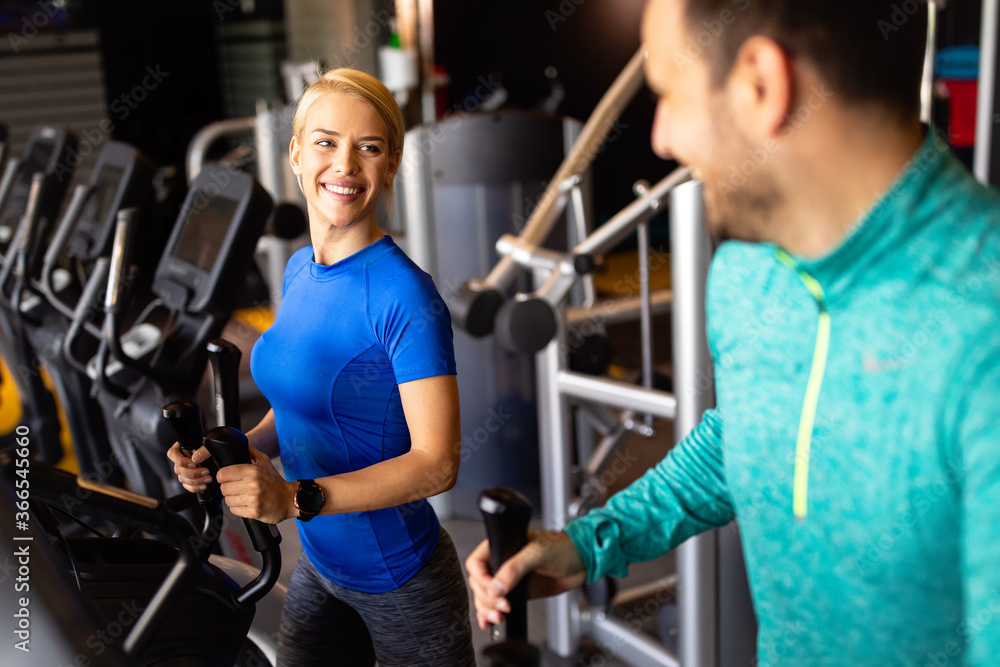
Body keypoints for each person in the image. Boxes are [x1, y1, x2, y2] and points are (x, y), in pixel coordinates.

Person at [466, 1, 1000, 664]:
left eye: (667, 93)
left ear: (761, 85)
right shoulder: (751, 266)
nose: (661, 137)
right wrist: (592, 540)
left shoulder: (982, 334)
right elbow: (745, 430)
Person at [168, 68, 475, 667]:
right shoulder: (301, 270)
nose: (346, 165)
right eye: (327, 142)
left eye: (370, 147)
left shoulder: (405, 297)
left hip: (402, 581)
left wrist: (293, 498)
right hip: (321, 563)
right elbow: (304, 408)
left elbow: (437, 465)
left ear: (390, 166)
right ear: (296, 154)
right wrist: (233, 450)